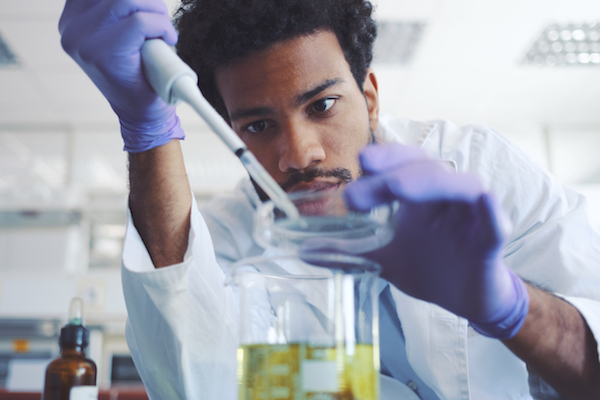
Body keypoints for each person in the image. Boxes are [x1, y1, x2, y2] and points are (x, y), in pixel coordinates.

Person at [58, 0, 600, 398]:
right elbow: (196, 385)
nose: (298, 153)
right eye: (259, 124)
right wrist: (147, 129)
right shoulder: (227, 243)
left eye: (322, 106)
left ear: (369, 96)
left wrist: (509, 308)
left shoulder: (479, 168)